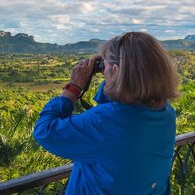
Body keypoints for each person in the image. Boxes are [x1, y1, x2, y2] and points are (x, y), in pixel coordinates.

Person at [33, 32, 179, 195]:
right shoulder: (166, 113)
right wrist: (112, 71)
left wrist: (73, 88)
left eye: (106, 66)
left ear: (116, 70)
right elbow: (122, 108)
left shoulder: (103, 122)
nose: (103, 69)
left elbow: (44, 131)